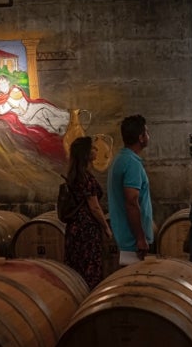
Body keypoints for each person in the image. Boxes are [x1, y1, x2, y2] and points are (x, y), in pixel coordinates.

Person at [63, 136, 113, 289]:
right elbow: (94, 207)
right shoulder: (86, 178)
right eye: (92, 148)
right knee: (89, 269)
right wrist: (106, 227)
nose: (96, 150)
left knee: (76, 269)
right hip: (87, 229)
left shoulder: (74, 175)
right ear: (85, 154)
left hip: (74, 229)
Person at [107, 115, 154, 266]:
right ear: (141, 137)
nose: (148, 135)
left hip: (127, 238)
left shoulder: (120, 159)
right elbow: (132, 202)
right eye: (146, 132)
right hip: (132, 243)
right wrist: (140, 238)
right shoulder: (131, 163)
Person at [0, 75, 70, 135]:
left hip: (32, 111)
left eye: (4, 83)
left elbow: (2, 110)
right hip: (24, 117)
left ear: (8, 83)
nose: (3, 85)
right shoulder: (1, 95)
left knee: (57, 115)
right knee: (49, 128)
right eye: (0, 84)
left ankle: (70, 121)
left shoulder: (15, 91)